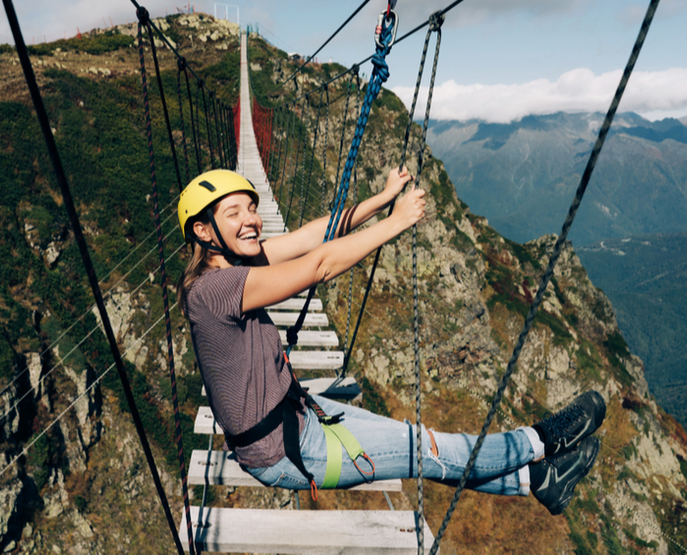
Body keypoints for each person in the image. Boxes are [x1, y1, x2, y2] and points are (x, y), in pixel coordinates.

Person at [176, 168, 604, 515]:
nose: (251, 219)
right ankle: (542, 440)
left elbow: (313, 236)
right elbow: (320, 264)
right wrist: (397, 222)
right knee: (428, 449)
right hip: (284, 450)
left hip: (298, 415)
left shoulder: (232, 263)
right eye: (234, 213)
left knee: (421, 446)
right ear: (204, 230)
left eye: (252, 209)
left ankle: (538, 481)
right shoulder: (214, 290)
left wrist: (381, 200)